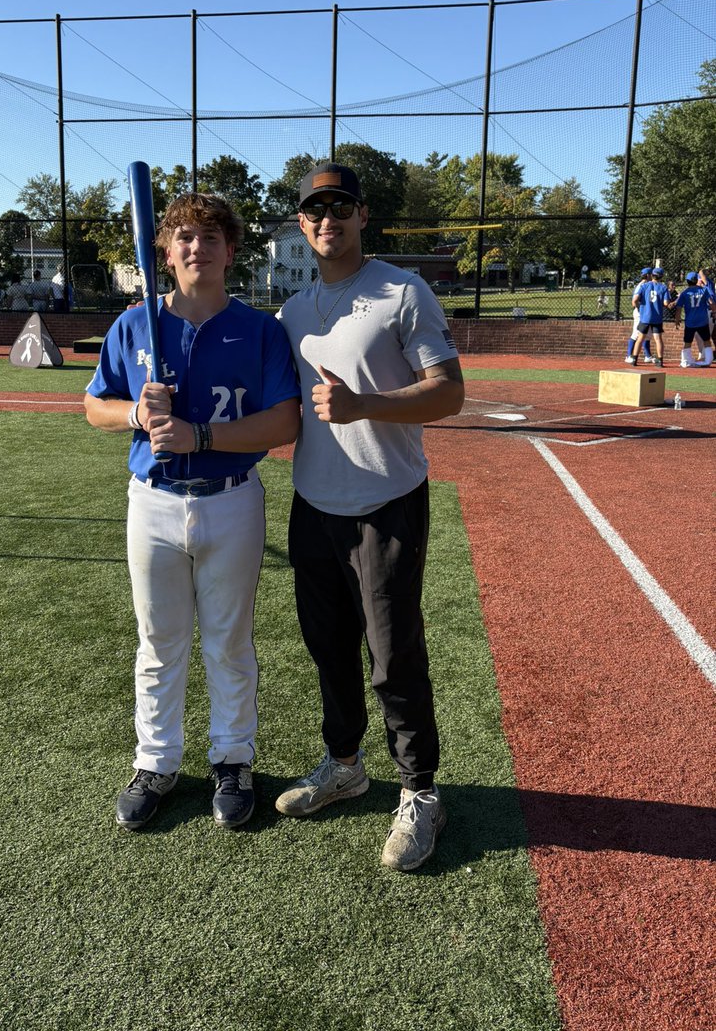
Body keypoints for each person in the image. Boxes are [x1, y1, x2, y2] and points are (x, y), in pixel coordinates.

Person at [84, 192, 300, 831]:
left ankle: (233, 758)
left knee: (229, 641)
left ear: (231, 251)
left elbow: (284, 421)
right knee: (159, 642)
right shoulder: (134, 324)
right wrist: (135, 413)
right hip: (152, 501)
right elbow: (94, 405)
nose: (196, 247)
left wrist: (198, 435)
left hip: (232, 498)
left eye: (210, 238)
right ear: (166, 251)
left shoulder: (260, 330)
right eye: (183, 237)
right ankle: (156, 761)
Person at [274, 162, 465, 872]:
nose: (328, 219)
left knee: (393, 656)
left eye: (341, 206)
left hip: (387, 504)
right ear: (301, 223)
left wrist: (365, 406)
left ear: (361, 216)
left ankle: (420, 791)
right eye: (315, 209)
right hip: (313, 505)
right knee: (328, 647)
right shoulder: (293, 311)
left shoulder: (402, 291)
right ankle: (345, 765)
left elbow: (449, 393)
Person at [629, 266, 670, 367]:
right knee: (658, 339)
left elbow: (634, 300)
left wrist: (639, 308)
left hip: (645, 317)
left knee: (640, 338)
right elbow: (666, 303)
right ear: (661, 277)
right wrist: (671, 303)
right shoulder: (663, 287)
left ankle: (634, 359)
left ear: (652, 275)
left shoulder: (644, 286)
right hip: (657, 318)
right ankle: (660, 361)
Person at [675, 271, 715, 367]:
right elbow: (711, 303)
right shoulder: (704, 290)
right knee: (706, 341)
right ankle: (708, 361)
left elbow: (679, 308)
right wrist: (714, 312)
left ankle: (685, 361)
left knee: (687, 342)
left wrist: (677, 319)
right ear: (696, 280)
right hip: (703, 321)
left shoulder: (685, 293)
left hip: (690, 322)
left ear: (687, 281)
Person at [625, 268, 653, 364]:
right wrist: (640, 309)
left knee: (647, 334)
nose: (652, 276)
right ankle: (628, 356)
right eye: (651, 274)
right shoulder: (641, 285)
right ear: (648, 275)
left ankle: (648, 356)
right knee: (636, 334)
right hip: (640, 312)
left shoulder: (647, 285)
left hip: (645, 312)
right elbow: (634, 302)